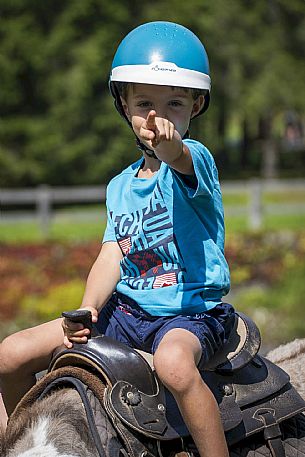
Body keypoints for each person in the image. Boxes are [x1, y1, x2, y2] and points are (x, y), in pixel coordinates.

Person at [0, 21, 234, 457]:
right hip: (126, 312)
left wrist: (171, 144)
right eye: (144, 102)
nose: (156, 117)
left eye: (174, 103)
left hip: (191, 312)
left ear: (197, 105)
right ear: (124, 105)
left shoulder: (195, 160)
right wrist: (90, 306)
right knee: (10, 353)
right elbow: (113, 253)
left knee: (174, 366)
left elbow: (176, 154)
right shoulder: (119, 187)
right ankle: (24, 444)